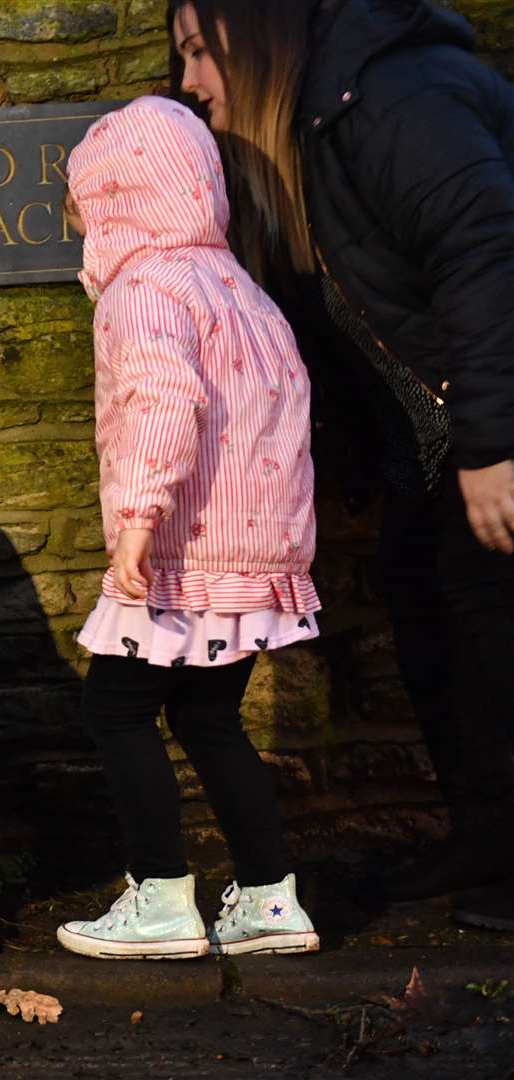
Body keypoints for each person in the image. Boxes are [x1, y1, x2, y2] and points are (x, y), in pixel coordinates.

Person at [167, 0, 514, 930]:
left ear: (260, 36)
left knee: (490, 623)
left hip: (487, 425)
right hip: (428, 440)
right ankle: (487, 840)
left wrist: (491, 445)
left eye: (200, 53)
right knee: (426, 610)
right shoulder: (307, 138)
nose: (191, 83)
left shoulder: (398, 97)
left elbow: (485, 256)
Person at [54, 97, 321, 960]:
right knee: (209, 722)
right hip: (250, 554)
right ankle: (270, 902)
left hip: (176, 548)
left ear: (116, 200)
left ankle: (161, 897)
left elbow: (160, 403)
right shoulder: (242, 290)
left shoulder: (144, 290)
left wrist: (134, 523)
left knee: (115, 710)